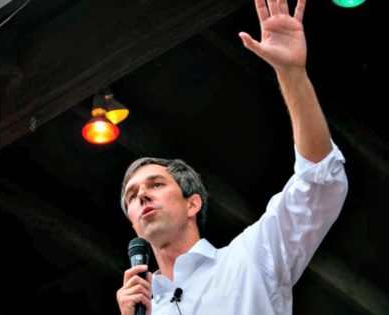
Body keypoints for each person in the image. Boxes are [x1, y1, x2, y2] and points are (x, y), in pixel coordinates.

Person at [116, 0, 348, 314]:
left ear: (192, 203)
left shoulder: (251, 256)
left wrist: (292, 74)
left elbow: (319, 180)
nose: (142, 194)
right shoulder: (142, 307)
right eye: (132, 195)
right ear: (133, 225)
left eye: (156, 184)